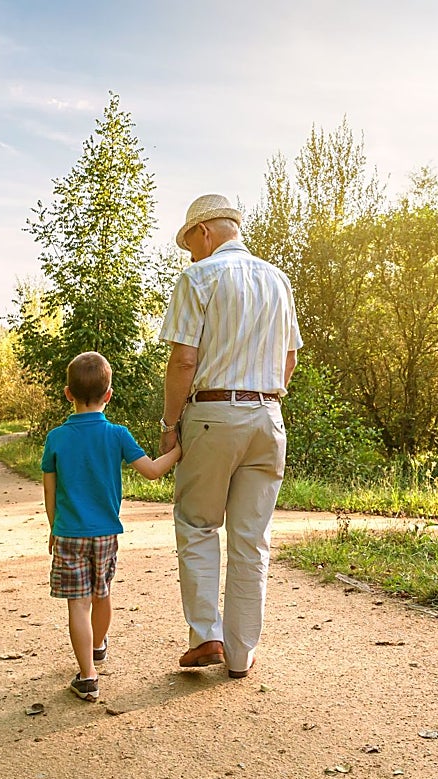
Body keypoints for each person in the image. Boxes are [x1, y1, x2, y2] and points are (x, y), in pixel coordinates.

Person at [158, 193, 302, 679]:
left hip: (212, 415)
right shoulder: (278, 280)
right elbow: (289, 359)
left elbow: (184, 360)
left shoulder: (199, 277)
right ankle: (241, 655)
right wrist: (265, 400)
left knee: (198, 524)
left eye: (190, 245)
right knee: (251, 539)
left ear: (204, 232)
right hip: (268, 416)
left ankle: (206, 636)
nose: (190, 256)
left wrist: (169, 425)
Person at [42, 351, 182, 701]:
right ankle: (98, 645)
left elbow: (50, 490)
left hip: (69, 533)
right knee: (101, 593)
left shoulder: (56, 438)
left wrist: (53, 527)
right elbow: (152, 471)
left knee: (78, 604)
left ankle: (88, 675)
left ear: (68, 394)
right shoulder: (117, 434)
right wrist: (179, 450)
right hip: (106, 533)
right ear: (109, 394)